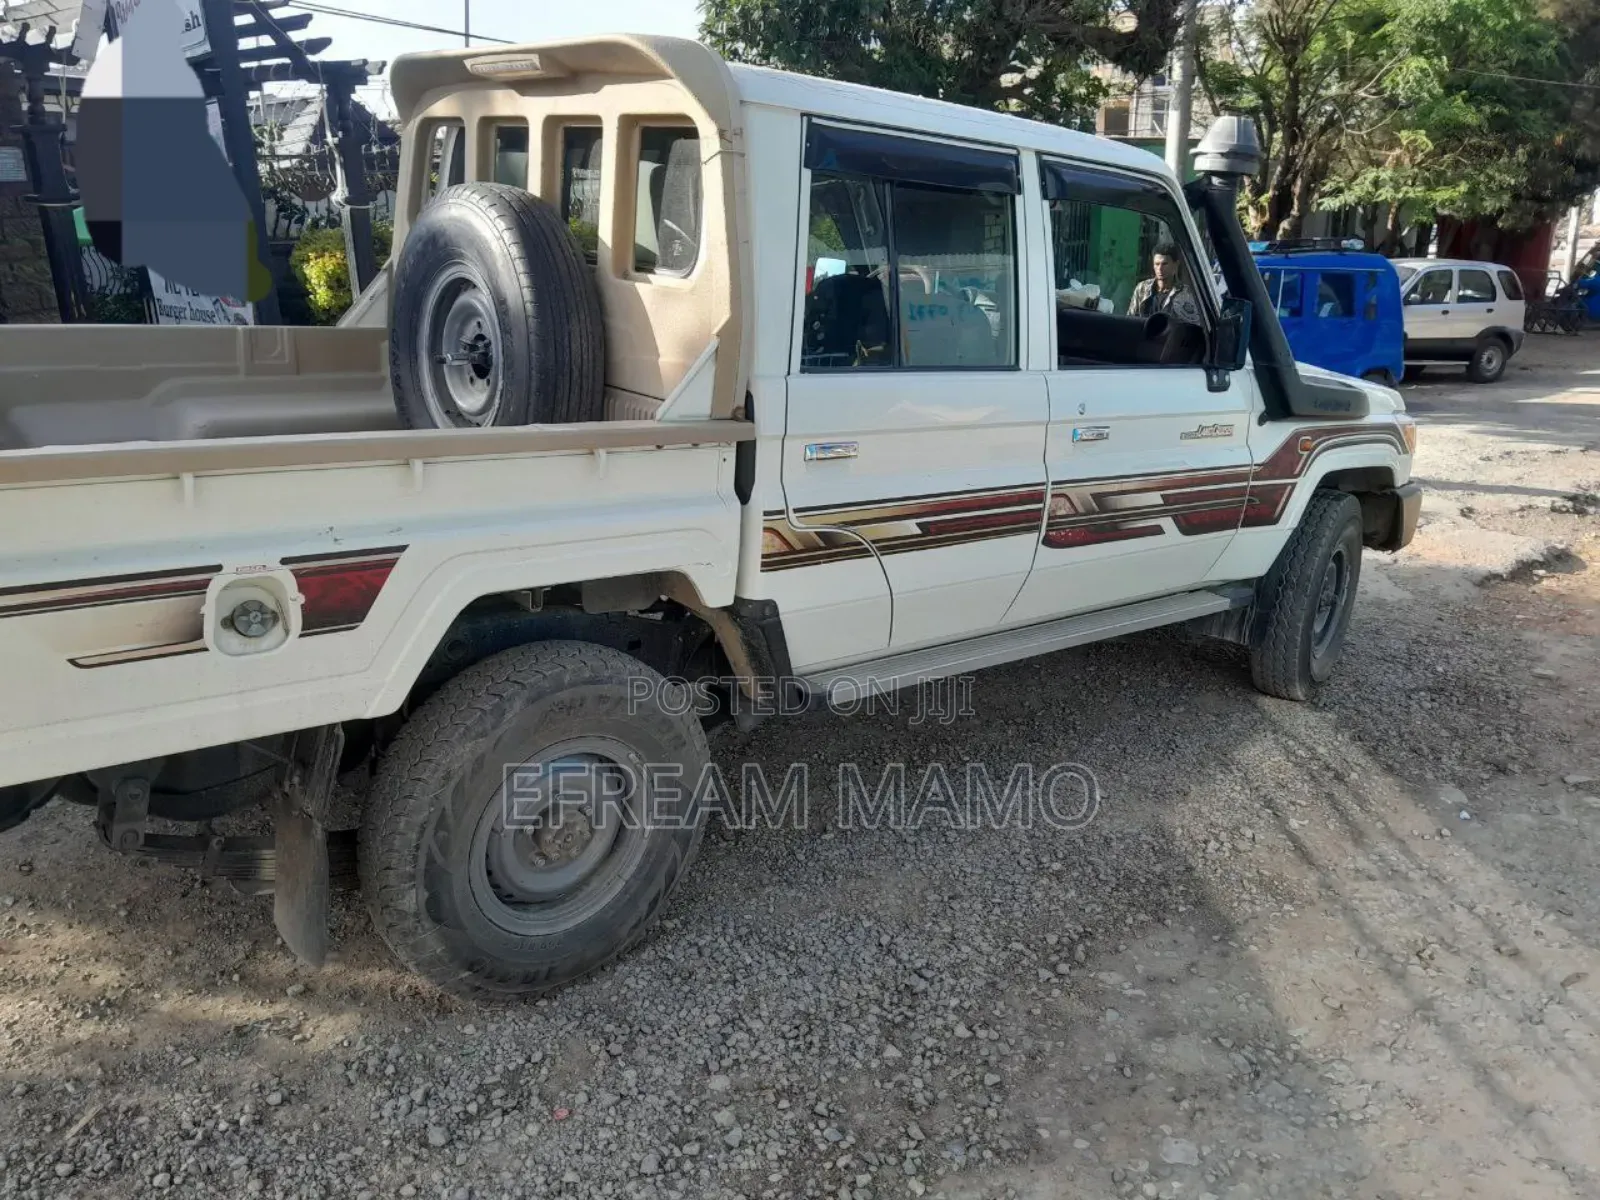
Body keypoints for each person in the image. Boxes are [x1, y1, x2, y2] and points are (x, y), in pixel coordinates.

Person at [1129, 242, 1202, 324]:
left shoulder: (1186, 294)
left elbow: (1192, 324)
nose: (1160, 268)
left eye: (1164, 264)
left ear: (1175, 265)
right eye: (1157, 264)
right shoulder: (1142, 288)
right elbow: (1130, 318)